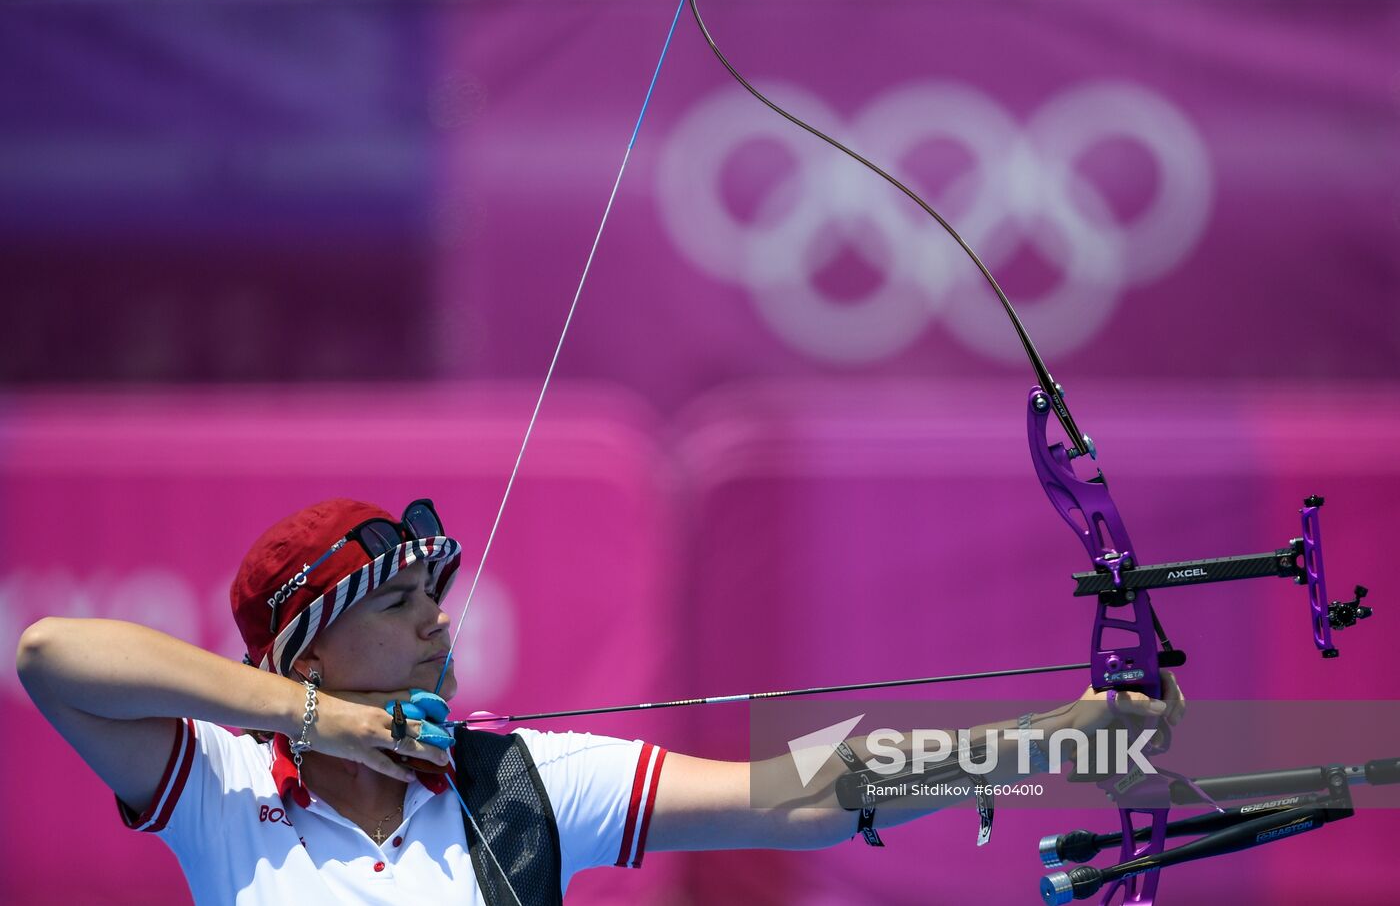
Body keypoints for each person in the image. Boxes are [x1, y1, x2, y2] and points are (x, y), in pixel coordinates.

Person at [16, 497, 1183, 905]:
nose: (439, 621)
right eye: (400, 603)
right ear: (308, 655)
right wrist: (332, 730)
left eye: (439, 594)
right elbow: (51, 654)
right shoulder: (220, 792)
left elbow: (806, 797)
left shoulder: (515, 782)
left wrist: (1055, 743)